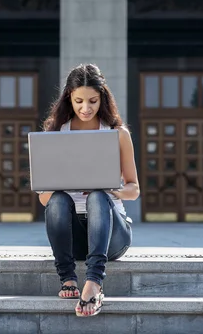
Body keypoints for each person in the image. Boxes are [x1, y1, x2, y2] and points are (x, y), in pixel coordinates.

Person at [36, 63, 140, 317]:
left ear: (102, 97)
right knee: (59, 199)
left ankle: (93, 283)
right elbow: (44, 198)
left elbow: (134, 189)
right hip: (72, 238)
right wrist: (68, 186)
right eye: (79, 101)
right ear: (68, 98)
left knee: (97, 195)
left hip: (111, 234)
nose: (86, 108)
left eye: (93, 101)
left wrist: (110, 189)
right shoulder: (56, 133)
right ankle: (68, 278)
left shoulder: (117, 133)